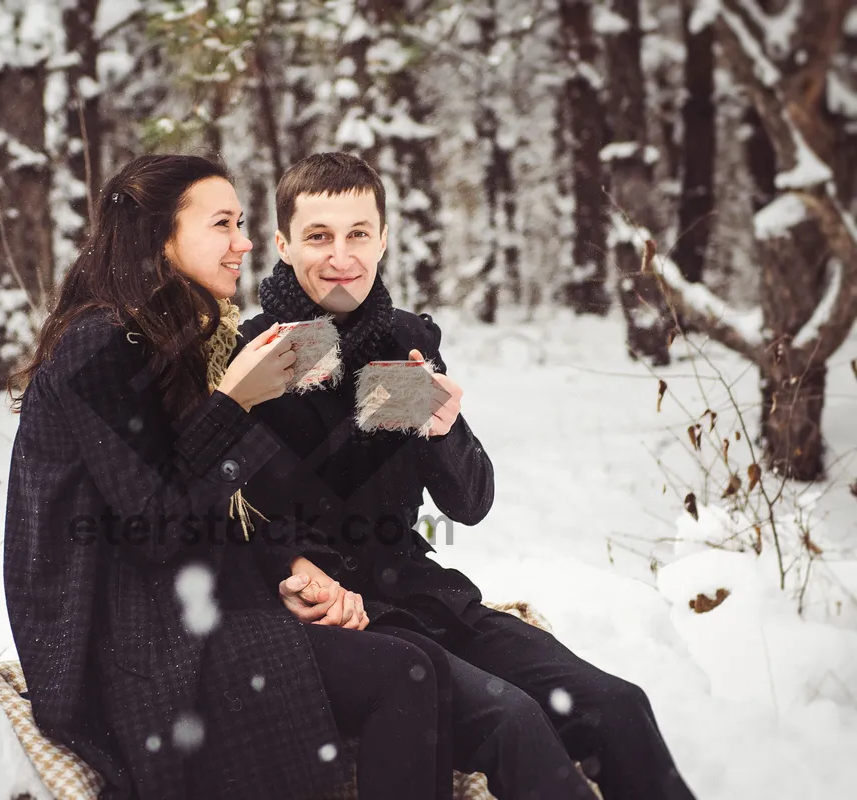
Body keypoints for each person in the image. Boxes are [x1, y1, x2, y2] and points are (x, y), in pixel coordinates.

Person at [237, 151, 698, 800]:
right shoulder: (254, 357)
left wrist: (447, 430)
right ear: (283, 244)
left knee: (616, 705)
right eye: (319, 236)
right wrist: (291, 564)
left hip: (424, 595)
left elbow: (469, 503)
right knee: (513, 721)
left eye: (358, 234)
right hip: (344, 626)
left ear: (384, 237)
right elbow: (228, 513)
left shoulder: (402, 343)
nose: (341, 256)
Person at [3, 154, 447, 800]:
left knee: (419, 658)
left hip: (180, 602)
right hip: (121, 642)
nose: (243, 241)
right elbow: (157, 528)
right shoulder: (97, 346)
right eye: (222, 224)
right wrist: (234, 403)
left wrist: (286, 568)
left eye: (241, 222)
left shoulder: (170, 336)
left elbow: (209, 505)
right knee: (404, 674)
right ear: (161, 238)